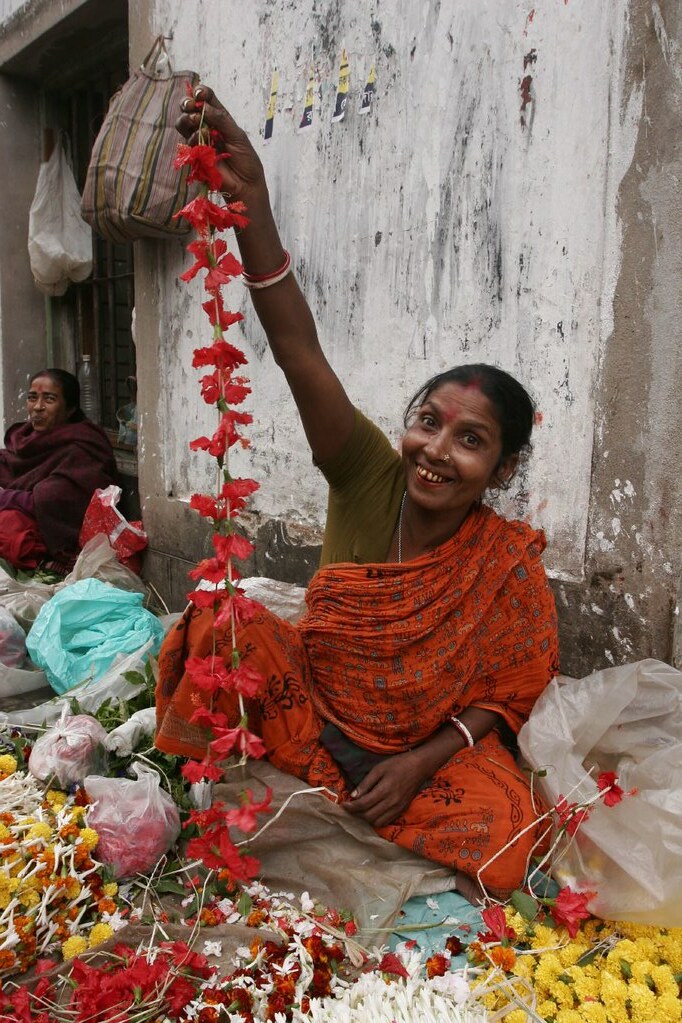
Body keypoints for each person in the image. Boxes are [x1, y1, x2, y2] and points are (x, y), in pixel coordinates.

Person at [155, 87, 559, 902]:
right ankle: (296, 785)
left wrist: (416, 762)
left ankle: (336, 801)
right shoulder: (368, 467)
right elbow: (299, 347)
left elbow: (504, 697)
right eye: (428, 421)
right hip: (316, 716)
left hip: (416, 748)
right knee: (219, 623)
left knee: (512, 829)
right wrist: (253, 208)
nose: (436, 452)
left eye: (470, 439)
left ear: (503, 468)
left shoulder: (505, 563)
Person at [0, 368, 118, 574]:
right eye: (32, 398)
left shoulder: (83, 445)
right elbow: (10, 464)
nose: (37, 407)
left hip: (55, 526)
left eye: (49, 399)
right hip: (26, 514)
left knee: (10, 532)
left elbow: (52, 498)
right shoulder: (25, 437)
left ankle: (46, 563)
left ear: (70, 408)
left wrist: (4, 498)